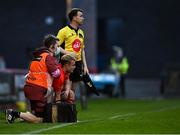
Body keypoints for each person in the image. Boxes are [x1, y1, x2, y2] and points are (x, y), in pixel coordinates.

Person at [6, 34, 60, 124]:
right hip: (38, 88)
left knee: (36, 114)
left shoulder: (38, 56)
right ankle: (13, 113)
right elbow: (56, 73)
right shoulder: (48, 57)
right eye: (57, 46)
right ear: (52, 46)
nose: (58, 48)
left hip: (30, 87)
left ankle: (18, 117)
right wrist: (58, 67)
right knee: (39, 119)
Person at [56, 8, 89, 109]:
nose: (83, 18)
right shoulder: (63, 31)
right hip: (66, 64)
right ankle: (60, 111)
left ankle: (70, 113)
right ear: (74, 18)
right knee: (64, 89)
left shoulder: (81, 32)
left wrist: (85, 66)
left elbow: (82, 50)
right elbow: (56, 46)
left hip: (77, 64)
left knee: (72, 91)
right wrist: (68, 53)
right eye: (81, 16)